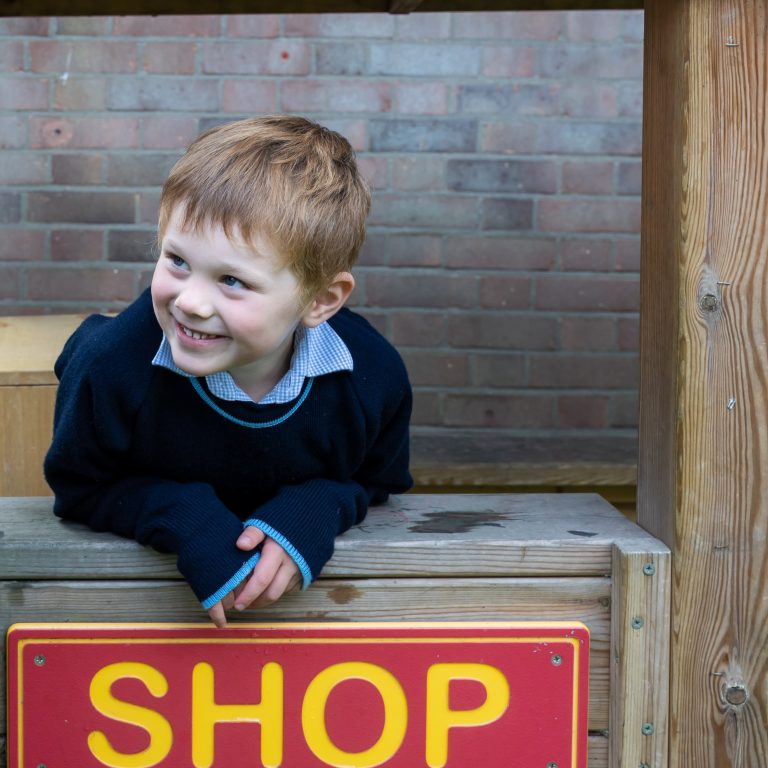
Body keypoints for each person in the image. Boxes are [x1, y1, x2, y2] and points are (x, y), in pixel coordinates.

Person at [44, 115, 413, 627]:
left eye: (233, 280)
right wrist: (180, 514)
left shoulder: (373, 379)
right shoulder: (109, 368)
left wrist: (318, 505)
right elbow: (78, 488)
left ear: (321, 300)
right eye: (176, 260)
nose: (191, 302)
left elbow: (377, 482)